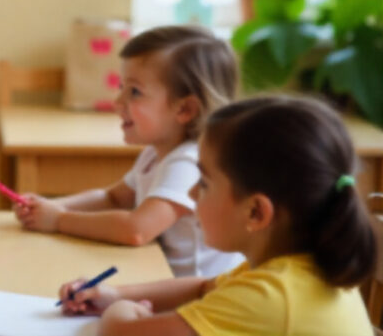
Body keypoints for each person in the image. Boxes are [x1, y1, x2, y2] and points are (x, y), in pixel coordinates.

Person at [55, 96, 376, 336]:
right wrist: (114, 294)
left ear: (256, 212)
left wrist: (124, 311)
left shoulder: (271, 296)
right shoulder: (293, 270)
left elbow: (121, 333)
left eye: (204, 183)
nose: (192, 195)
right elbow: (202, 289)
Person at [15, 26, 244, 277]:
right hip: (159, 281)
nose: (118, 101)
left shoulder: (188, 163)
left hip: (195, 299)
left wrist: (59, 220)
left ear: (185, 109)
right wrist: (52, 206)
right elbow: (112, 198)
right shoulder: (154, 154)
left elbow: (137, 229)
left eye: (134, 92)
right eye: (122, 87)